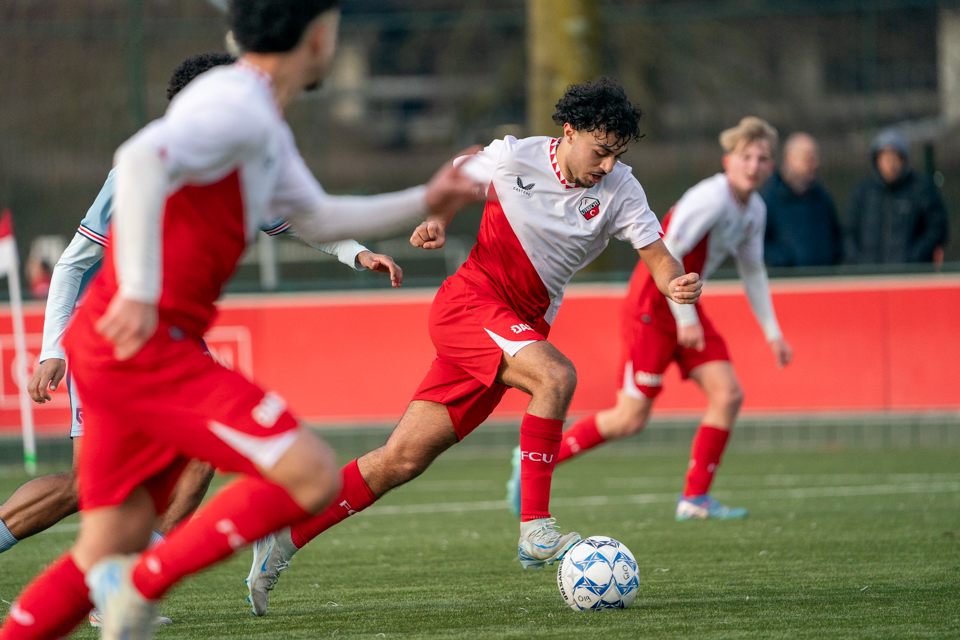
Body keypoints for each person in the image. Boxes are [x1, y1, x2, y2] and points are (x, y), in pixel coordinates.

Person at [0, 0, 481, 636]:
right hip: (144, 346)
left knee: (105, 540)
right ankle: (139, 581)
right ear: (317, 37)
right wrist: (138, 291)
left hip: (132, 346)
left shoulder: (259, 119)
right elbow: (138, 160)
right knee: (309, 473)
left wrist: (426, 198)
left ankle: (115, 585)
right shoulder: (235, 101)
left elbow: (318, 217)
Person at [244, 77, 702, 617]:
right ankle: (536, 527)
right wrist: (437, 220)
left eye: (617, 155)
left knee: (401, 460)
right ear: (569, 131)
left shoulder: (622, 188)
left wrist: (675, 284)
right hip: (471, 304)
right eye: (600, 151)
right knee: (555, 376)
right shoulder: (514, 157)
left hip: (517, 329)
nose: (607, 165)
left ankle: (284, 537)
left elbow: (659, 256)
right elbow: (461, 172)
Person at [510, 116, 792, 522]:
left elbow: (753, 270)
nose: (754, 165)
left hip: (685, 308)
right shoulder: (712, 198)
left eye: (762, 159)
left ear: (771, 166)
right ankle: (534, 458)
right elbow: (668, 248)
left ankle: (694, 499)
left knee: (728, 395)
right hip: (653, 306)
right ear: (728, 160)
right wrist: (684, 318)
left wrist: (773, 333)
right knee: (629, 419)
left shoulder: (755, 209)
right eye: (745, 156)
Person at [845, 127, 948, 265]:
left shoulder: (920, 189)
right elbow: (848, 233)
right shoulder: (863, 192)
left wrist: (914, 257)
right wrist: (860, 262)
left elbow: (937, 229)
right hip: (869, 273)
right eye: (885, 158)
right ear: (877, 160)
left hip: (909, 273)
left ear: (904, 160)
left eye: (895, 158)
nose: (890, 164)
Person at [760, 132, 842, 267]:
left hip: (822, 276)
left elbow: (835, 236)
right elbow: (759, 243)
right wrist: (782, 261)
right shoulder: (770, 199)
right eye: (808, 159)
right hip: (788, 278)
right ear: (790, 159)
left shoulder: (822, 197)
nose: (815, 164)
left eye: (815, 158)